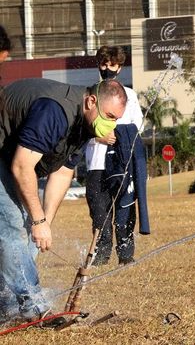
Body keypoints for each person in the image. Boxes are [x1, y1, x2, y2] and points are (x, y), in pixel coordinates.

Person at [0, 78, 127, 325]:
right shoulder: (55, 111)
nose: (111, 126)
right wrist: (37, 220)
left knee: (25, 233)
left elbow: (62, 172)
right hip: (5, 157)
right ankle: (33, 307)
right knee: (13, 227)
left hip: (13, 160)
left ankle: (6, 306)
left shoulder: (85, 124)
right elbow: (21, 166)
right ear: (91, 101)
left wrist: (45, 221)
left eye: (116, 120)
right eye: (109, 116)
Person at [85, 46, 145, 265]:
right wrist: (97, 137)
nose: (107, 68)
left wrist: (119, 134)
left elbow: (138, 125)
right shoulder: (89, 92)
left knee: (125, 209)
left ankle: (126, 255)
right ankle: (100, 257)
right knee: (100, 213)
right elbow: (80, 127)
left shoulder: (129, 95)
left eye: (111, 64)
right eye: (103, 63)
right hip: (96, 165)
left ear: (119, 68)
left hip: (121, 164)